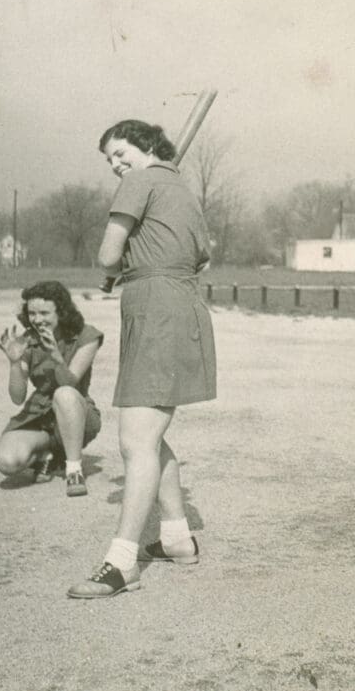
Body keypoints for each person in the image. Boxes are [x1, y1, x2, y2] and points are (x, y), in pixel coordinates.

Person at [67, 119, 216, 599]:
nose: (115, 164)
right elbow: (202, 256)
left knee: (136, 441)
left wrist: (119, 265)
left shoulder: (140, 182)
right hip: (177, 306)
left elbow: (108, 253)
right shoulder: (182, 191)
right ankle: (176, 539)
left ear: (148, 144)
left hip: (156, 311)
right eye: (109, 159)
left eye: (120, 151)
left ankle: (121, 562)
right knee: (149, 435)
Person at [0, 281, 103, 498]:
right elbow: (17, 398)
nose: (37, 320)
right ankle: (48, 454)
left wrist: (55, 355)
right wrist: (15, 363)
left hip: (77, 413)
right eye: (32, 313)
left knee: (63, 394)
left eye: (44, 313)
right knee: (7, 461)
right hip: (41, 415)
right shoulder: (27, 340)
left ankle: (73, 470)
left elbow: (69, 384)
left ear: (61, 312)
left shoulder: (86, 336)